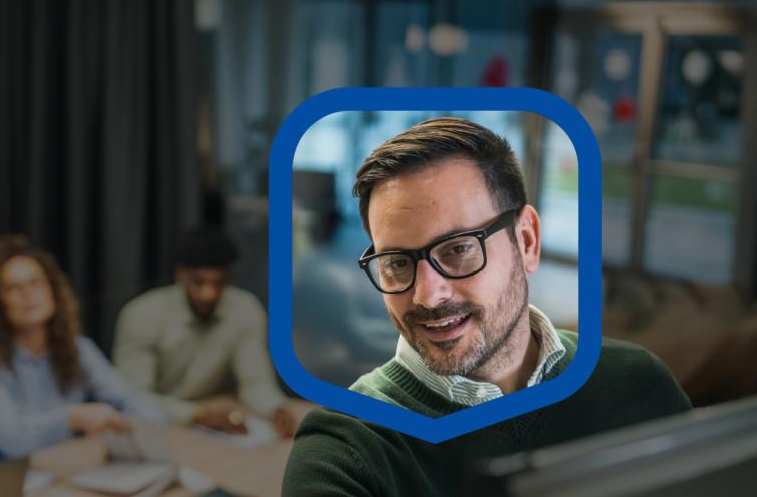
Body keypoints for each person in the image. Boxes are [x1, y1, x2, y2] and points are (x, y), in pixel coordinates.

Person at [283, 117, 692, 496]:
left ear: (527, 241)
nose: (428, 296)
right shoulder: (346, 450)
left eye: (459, 248)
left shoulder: (638, 383)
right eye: (397, 263)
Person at [0, 235, 164, 460]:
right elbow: (7, 437)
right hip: (5, 480)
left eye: (36, 282)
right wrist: (73, 418)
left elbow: (127, 397)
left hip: (66, 465)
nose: (29, 293)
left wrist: (144, 424)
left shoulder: (78, 347)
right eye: (14, 287)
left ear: (52, 288)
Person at [113, 227, 298, 438]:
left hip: (214, 417)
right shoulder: (142, 314)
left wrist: (276, 408)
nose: (208, 294)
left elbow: (254, 381)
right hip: (158, 422)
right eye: (198, 282)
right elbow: (134, 396)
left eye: (217, 283)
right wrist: (196, 414)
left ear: (229, 278)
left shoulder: (245, 309)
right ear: (180, 275)